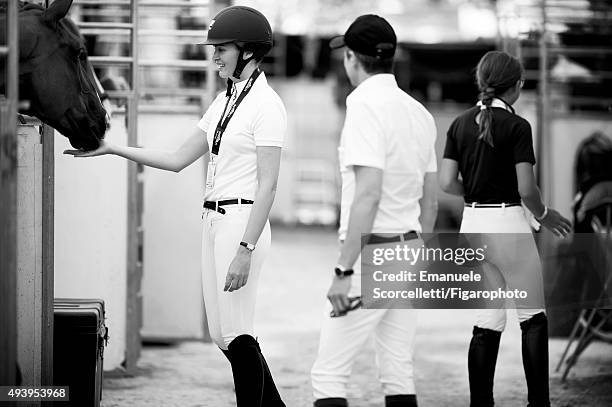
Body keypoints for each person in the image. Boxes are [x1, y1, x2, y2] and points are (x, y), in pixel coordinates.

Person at [65, 6, 287, 407]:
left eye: (223, 49)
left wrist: (245, 248)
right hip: (214, 219)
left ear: (250, 52)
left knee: (237, 336)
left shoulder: (267, 105)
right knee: (225, 338)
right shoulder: (224, 101)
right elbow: (177, 158)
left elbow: (268, 184)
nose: (214, 56)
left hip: (242, 222)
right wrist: (112, 147)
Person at [310, 15, 438, 407]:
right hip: (410, 248)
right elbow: (429, 200)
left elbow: (368, 195)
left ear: (351, 57)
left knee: (328, 375)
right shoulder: (419, 112)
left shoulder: (363, 105)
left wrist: (343, 272)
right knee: (398, 371)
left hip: (373, 255)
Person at [439, 50, 572, 407]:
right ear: (516, 86)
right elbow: (526, 189)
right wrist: (545, 215)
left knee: (487, 319)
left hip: (474, 224)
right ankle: (538, 403)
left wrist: (477, 190)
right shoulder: (518, 126)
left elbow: (447, 182)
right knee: (532, 317)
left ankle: (481, 403)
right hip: (508, 223)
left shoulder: (458, 124)